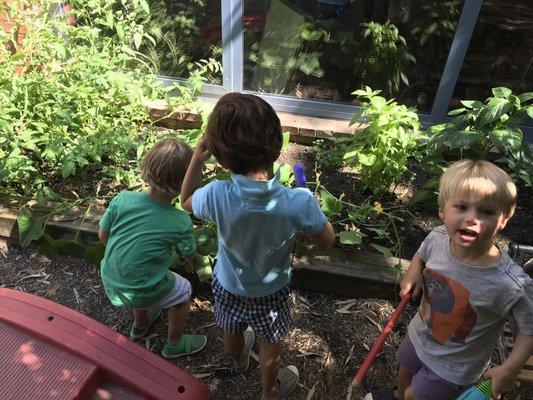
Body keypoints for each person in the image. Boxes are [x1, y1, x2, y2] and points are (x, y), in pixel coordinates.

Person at [181, 93, 335, 400]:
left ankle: (238, 361)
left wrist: (197, 157)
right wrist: (311, 210)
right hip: (271, 291)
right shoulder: (297, 202)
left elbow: (186, 201)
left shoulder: (216, 195)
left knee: (232, 328)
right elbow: (327, 241)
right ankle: (269, 391)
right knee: (270, 340)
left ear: (222, 159)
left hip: (227, 285)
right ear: (277, 147)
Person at [365, 159, 533, 400]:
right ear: (442, 210)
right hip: (420, 334)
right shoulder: (438, 237)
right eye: (462, 207)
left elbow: (529, 329)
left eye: (486, 211)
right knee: (405, 372)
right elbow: (422, 253)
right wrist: (414, 272)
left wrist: (512, 367)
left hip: (453, 365)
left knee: (417, 396)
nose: (472, 218)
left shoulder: (510, 284)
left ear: (503, 220)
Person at [98, 138, 207, 359]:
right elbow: (187, 255)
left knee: (143, 272)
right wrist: (189, 263)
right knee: (184, 290)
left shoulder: (122, 199)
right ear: (184, 184)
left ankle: (140, 324)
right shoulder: (179, 221)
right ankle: (174, 344)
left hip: (111, 280)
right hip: (141, 288)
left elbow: (103, 237)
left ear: (147, 168)